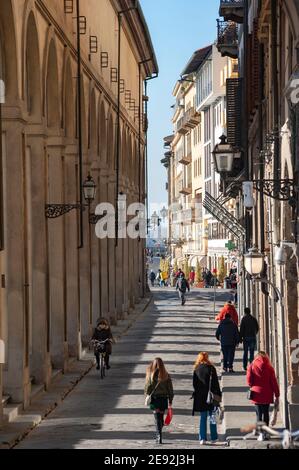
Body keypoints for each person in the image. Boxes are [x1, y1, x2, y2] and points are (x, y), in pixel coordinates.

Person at [247, 352, 280, 441]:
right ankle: (266, 433)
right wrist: (277, 394)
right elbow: (274, 382)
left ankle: (261, 434)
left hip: (256, 394)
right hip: (267, 393)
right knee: (266, 413)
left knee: (258, 414)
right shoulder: (269, 367)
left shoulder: (252, 365)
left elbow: (249, 381)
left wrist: (253, 385)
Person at [192, 352, 222, 445]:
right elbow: (216, 383)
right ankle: (213, 438)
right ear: (207, 358)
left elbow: (194, 384)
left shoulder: (196, 369)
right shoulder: (211, 368)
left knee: (203, 418)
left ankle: (202, 438)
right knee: (212, 417)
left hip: (201, 397)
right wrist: (218, 395)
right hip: (211, 396)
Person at [144, 358, 174, 445]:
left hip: (155, 399)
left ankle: (159, 437)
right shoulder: (166, 375)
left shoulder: (151, 374)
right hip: (163, 399)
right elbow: (170, 389)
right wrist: (170, 399)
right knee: (160, 417)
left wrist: (147, 395)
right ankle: (160, 433)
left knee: (157, 418)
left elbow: (147, 387)